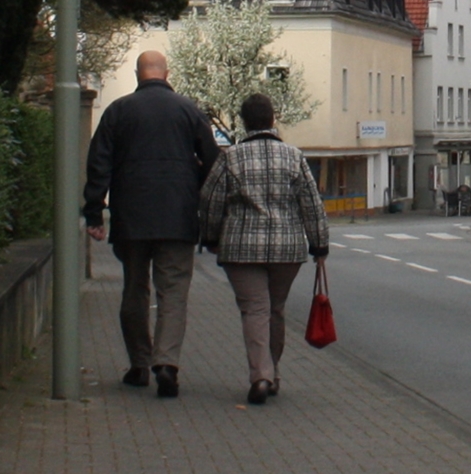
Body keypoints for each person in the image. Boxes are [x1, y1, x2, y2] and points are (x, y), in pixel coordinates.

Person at [82, 49, 221, 396]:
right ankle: (167, 362)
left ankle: (140, 364)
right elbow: (214, 161)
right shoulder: (189, 110)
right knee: (173, 290)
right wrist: (195, 189)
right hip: (178, 215)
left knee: (134, 288)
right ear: (167, 73)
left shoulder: (118, 111)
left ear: (137, 74)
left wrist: (95, 212)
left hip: (131, 216)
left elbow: (99, 162)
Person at [196, 91, 329, 406]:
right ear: (272, 120)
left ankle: (261, 376)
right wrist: (319, 244)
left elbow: (209, 200)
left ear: (244, 122)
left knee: (254, 309)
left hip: (241, 249)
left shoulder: (230, 158)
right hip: (287, 249)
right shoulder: (294, 156)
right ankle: (273, 372)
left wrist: (211, 237)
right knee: (275, 309)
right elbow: (312, 204)